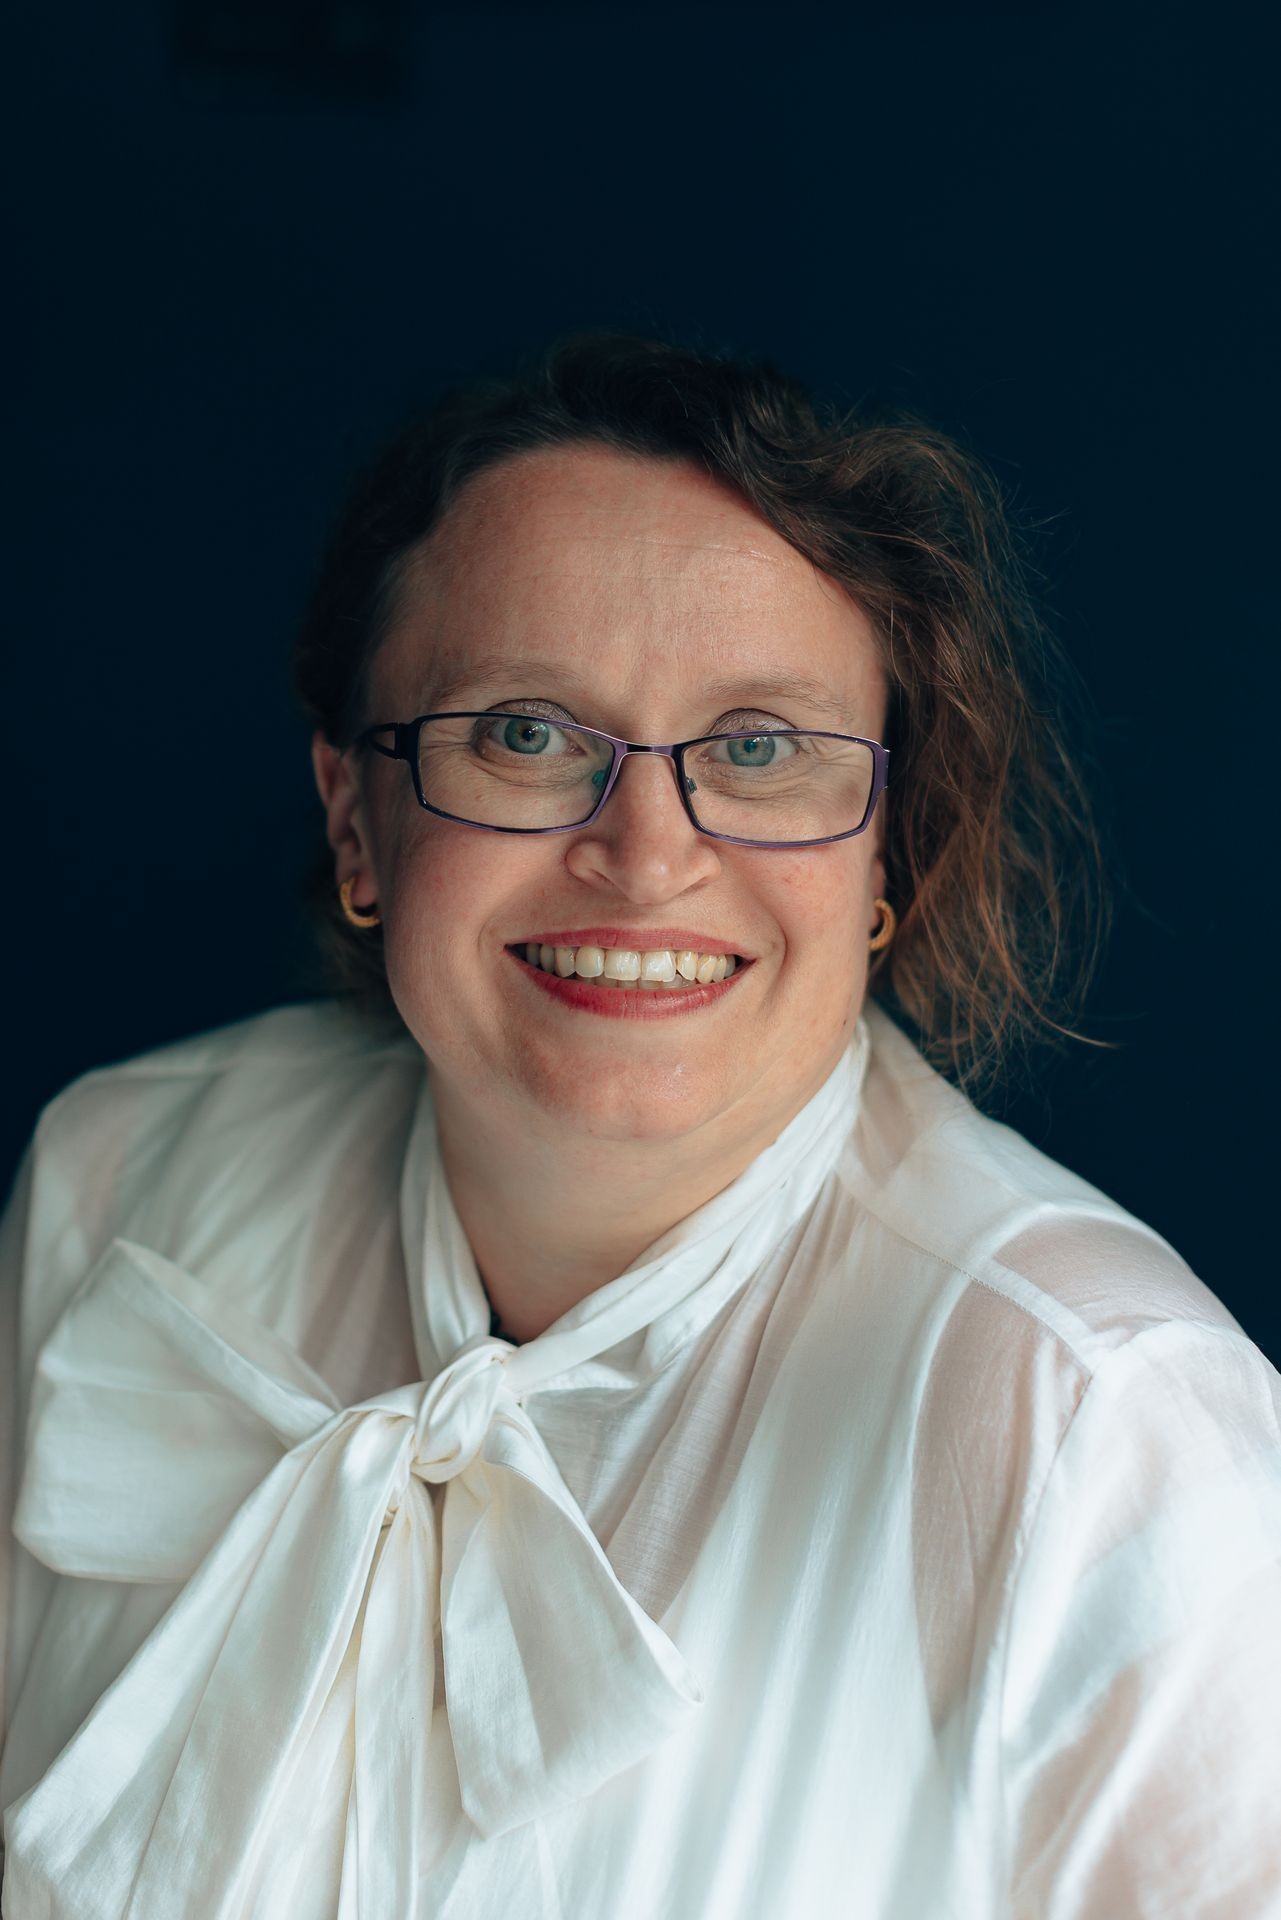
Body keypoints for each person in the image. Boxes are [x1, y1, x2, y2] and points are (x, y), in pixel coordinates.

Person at [1, 332, 1278, 1919]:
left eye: (760, 748)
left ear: (881, 851)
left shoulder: (1097, 1427)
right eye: (526, 733)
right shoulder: (118, 1173)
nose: (647, 850)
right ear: (356, 817)